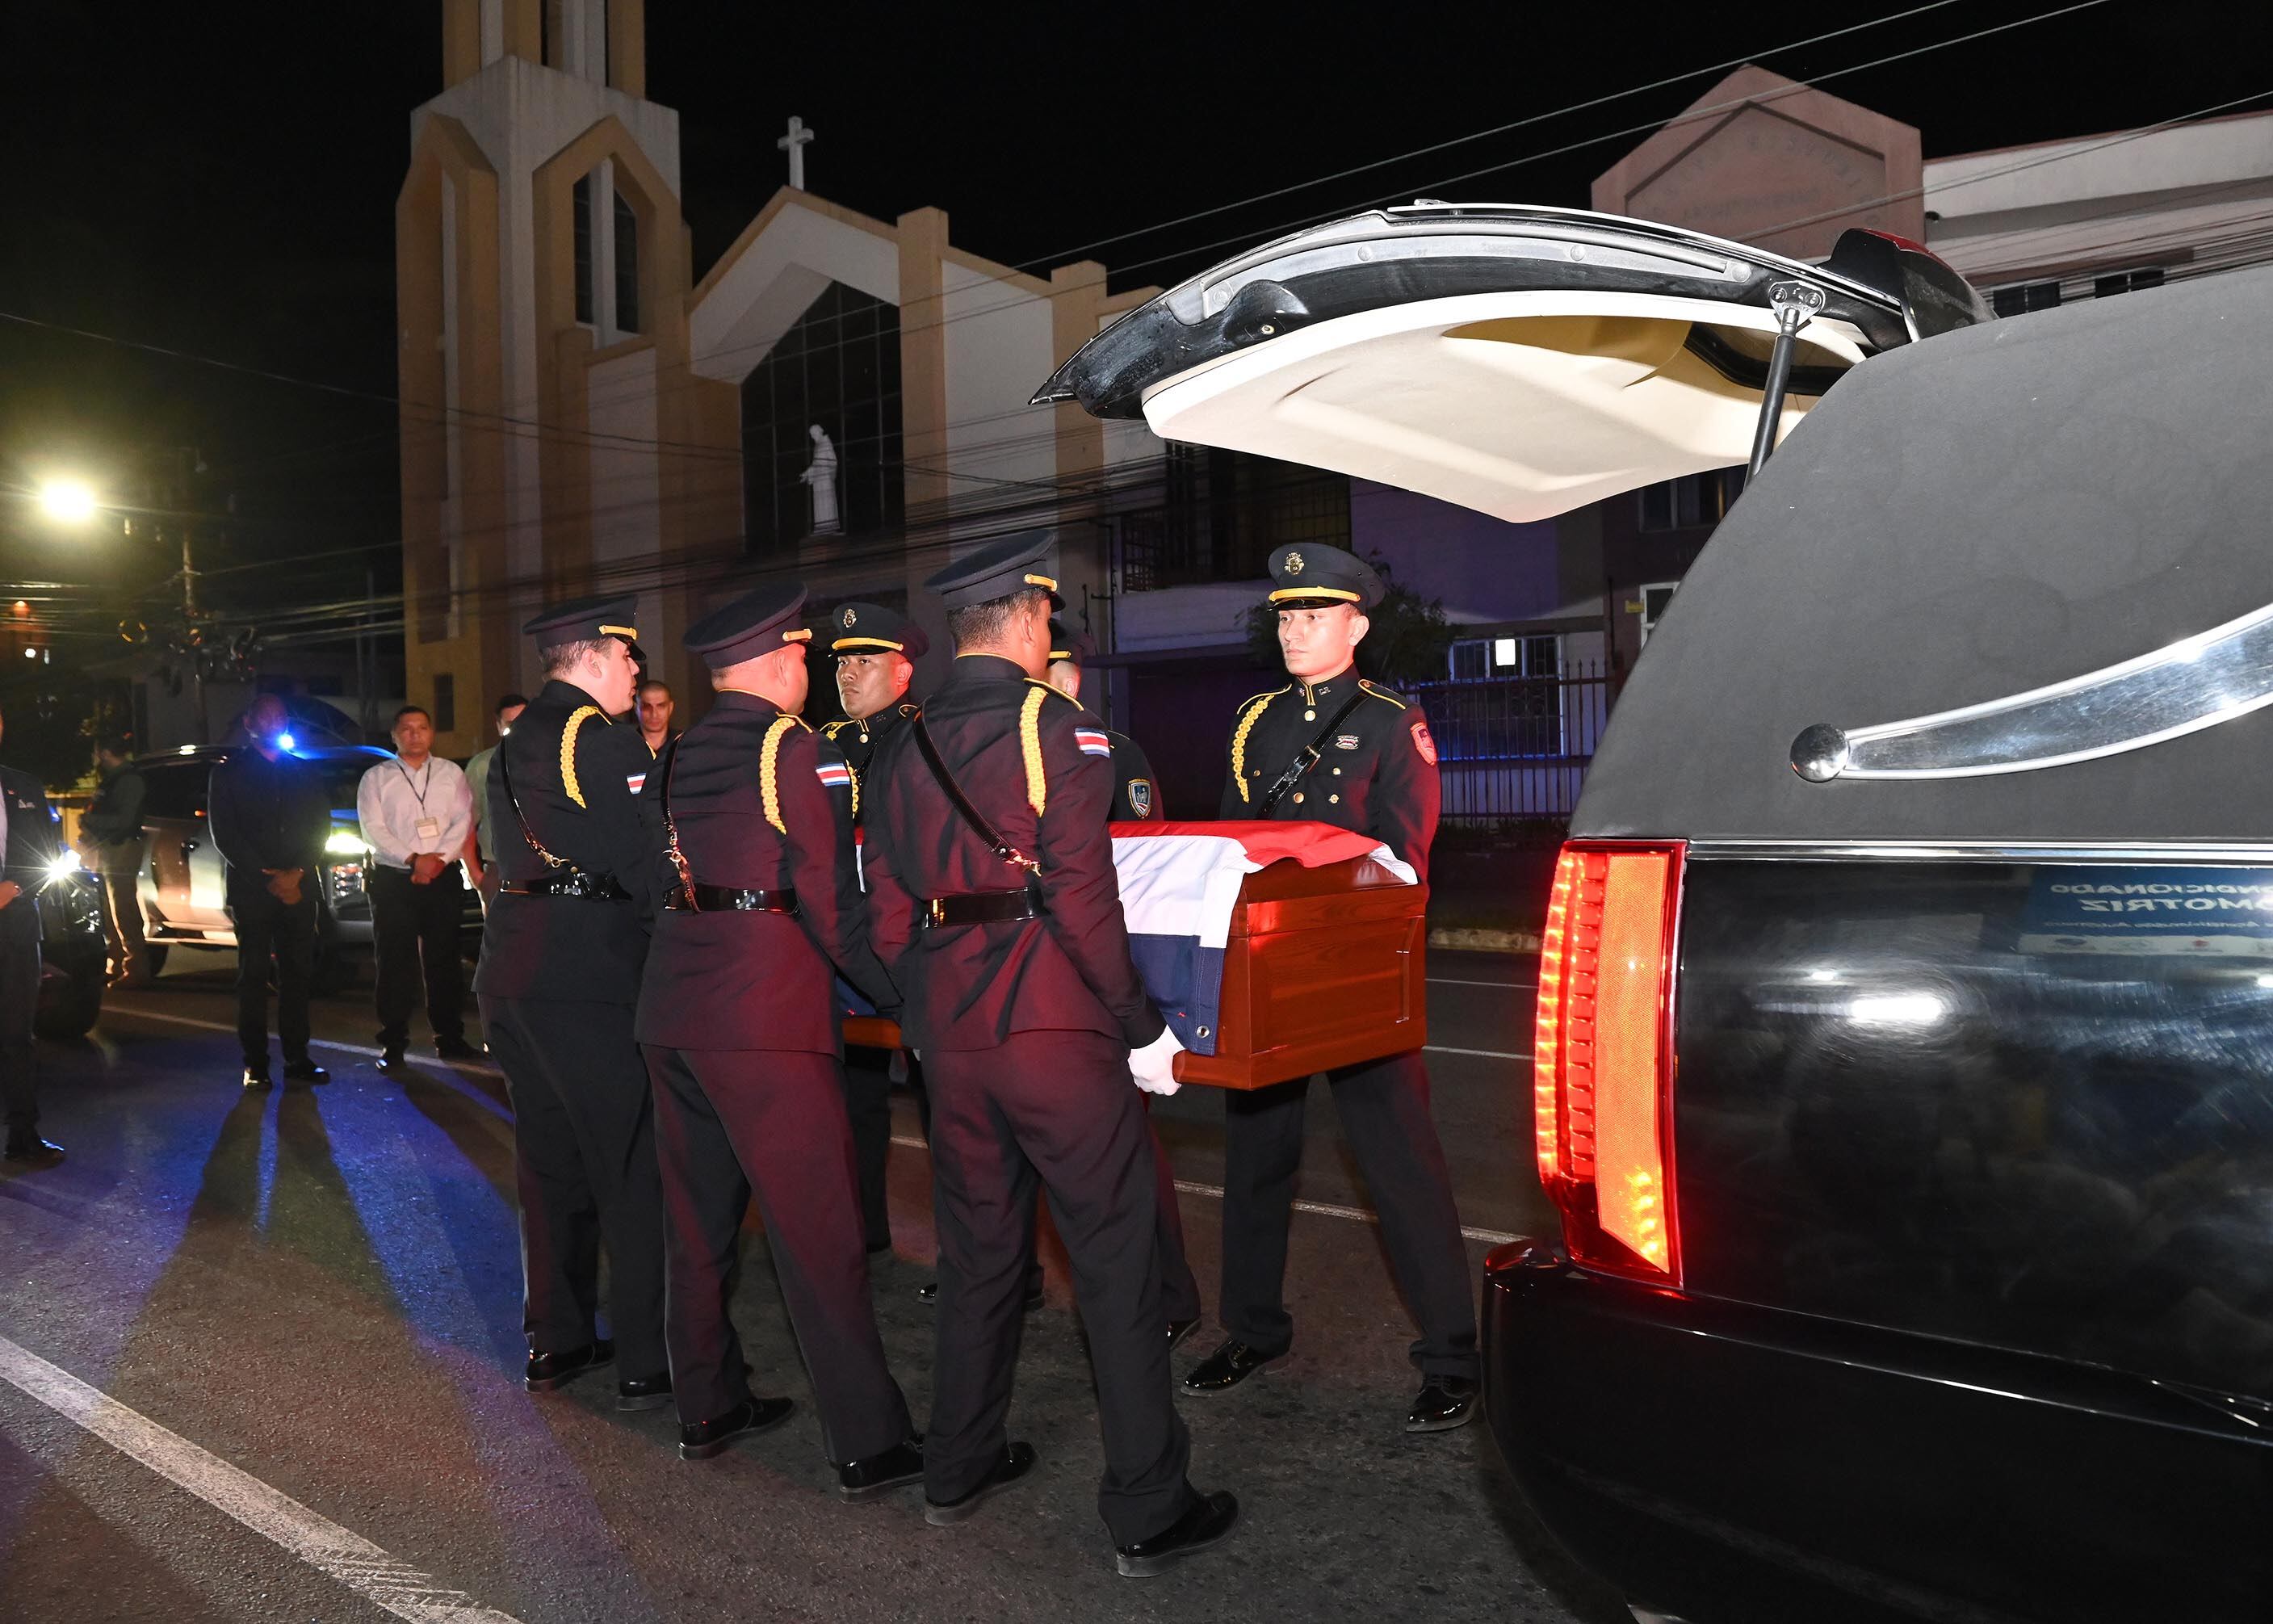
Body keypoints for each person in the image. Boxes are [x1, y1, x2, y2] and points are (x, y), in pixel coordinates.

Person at [864, 531, 1237, 1576]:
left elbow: (883, 906)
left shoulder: (901, 737)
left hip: (952, 1044)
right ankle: (1146, 1504)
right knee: (1113, 1265)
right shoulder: (1052, 725)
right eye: (1045, 615)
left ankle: (957, 1465)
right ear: (1026, 620)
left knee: (981, 1256)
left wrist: (928, 1009)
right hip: (1053, 1034)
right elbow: (1081, 898)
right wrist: (1141, 1025)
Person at [633, 582, 923, 1489]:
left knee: (696, 1223)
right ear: (775, 662)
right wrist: (901, 995)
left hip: (677, 1006)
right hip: (762, 1013)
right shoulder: (792, 749)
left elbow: (662, 870)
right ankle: (867, 1440)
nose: (812, 670)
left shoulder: (677, 750)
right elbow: (832, 904)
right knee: (817, 1231)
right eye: (803, 655)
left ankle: (707, 1404)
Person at [1187, 543, 1481, 1433]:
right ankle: (1252, 1327)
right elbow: (1239, 847)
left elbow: (1405, 865)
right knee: (1256, 1162)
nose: (1293, 629)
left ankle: (1452, 1355)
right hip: (1272, 973)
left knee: (1401, 1164)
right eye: (1284, 614)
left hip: (1354, 981)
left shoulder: (1393, 723)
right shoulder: (1254, 721)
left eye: (1312, 615)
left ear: (1356, 626)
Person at [475, 595, 668, 1408]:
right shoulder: (602, 738)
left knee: (549, 1163)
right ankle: (648, 1359)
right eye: (627, 657)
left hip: (514, 961)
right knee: (629, 1164)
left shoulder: (515, 738)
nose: (636, 671)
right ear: (591, 658)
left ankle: (555, 1338)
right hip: (587, 968)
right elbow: (645, 859)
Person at [820, 601, 928, 1256]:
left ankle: (984, 1259)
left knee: (948, 1109)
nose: (848, 673)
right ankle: (864, 1231)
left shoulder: (924, 738)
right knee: (852, 1103)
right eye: (841, 661)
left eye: (865, 659)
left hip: (910, 948)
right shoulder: (823, 743)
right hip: (840, 951)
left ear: (903, 671)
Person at [208, 696, 331, 1091]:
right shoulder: (228, 773)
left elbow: (320, 828)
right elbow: (225, 834)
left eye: (281, 715)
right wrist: (269, 878)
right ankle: (255, 1063)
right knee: (253, 977)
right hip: (252, 890)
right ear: (249, 722)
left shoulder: (305, 772)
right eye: (266, 715)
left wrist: (296, 873)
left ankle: (298, 1057)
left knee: (298, 975)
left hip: (299, 887)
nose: (275, 721)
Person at [357, 707, 478, 1070]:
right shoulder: (376, 778)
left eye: (422, 728)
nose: (414, 734)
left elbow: (464, 820)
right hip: (395, 879)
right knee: (395, 962)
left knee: (444, 960)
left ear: (432, 733)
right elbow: (373, 828)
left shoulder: (450, 773)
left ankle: (449, 1037)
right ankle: (392, 1042)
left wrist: (437, 860)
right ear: (394, 735)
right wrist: (414, 859)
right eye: (406, 729)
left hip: (442, 877)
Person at [0, 704, 65, 1167]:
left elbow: (46, 855)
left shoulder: (23, 785)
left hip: (17, 926)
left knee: (17, 1036)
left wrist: (15, 888)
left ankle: (23, 1136)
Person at [1045, 623, 1164, 822]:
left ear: (1068, 688)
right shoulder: (1012, 749)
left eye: (1038, 683)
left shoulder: (1117, 754)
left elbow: (1141, 841)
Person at [78, 735, 152, 988]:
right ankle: (117, 962)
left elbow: (125, 821)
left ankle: (136, 967)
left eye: (97, 751)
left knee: (124, 908)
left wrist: (90, 822)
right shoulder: (114, 779)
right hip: (109, 849)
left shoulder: (128, 779)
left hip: (122, 848)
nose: (94, 757)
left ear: (106, 752)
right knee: (110, 910)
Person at [462, 693, 527, 909]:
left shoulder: (556, 761)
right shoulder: (482, 766)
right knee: (501, 940)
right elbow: (466, 824)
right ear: (499, 726)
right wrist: (477, 875)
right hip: (499, 869)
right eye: (510, 724)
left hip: (548, 868)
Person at [635, 680, 677, 757]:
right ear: (636, 708)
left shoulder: (683, 745)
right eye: (647, 707)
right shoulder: (626, 746)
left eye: (661, 706)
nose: (654, 714)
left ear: (670, 707)